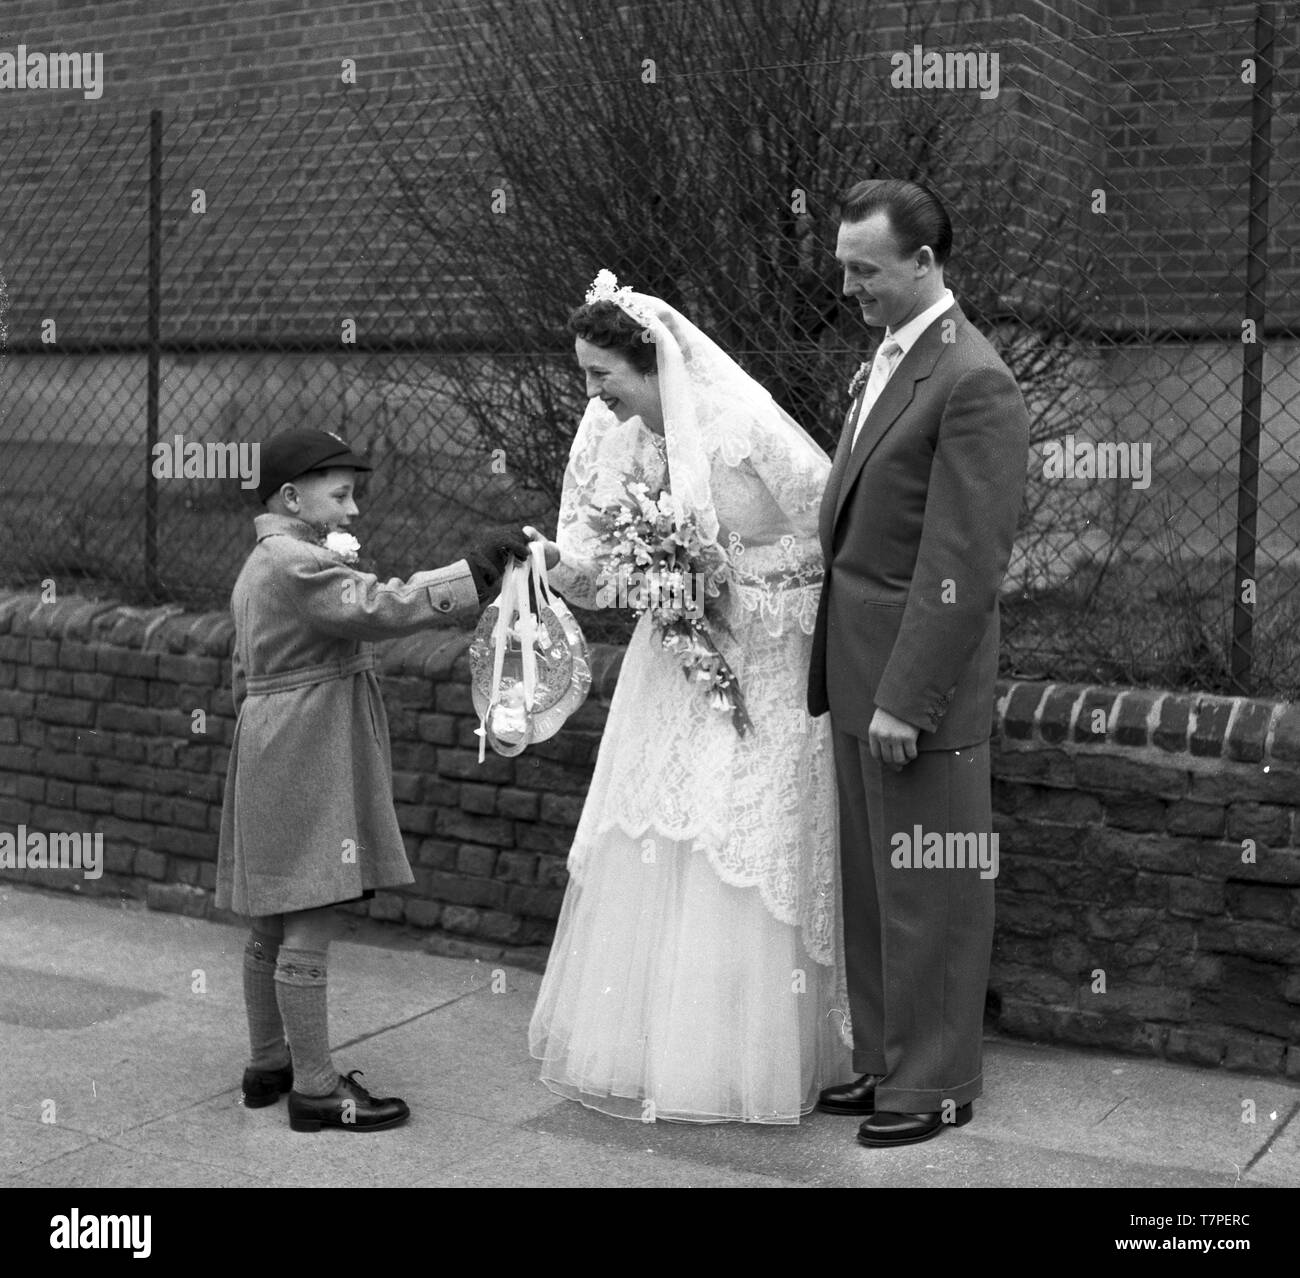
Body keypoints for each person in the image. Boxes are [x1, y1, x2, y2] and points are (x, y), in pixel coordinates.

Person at [529, 272, 852, 1124]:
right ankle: (661, 1052)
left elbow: (833, 536)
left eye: (605, 376)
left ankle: (768, 1056)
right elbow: (597, 572)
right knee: (666, 830)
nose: (594, 395)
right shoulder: (615, 438)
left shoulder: (742, 428)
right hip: (673, 665)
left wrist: (725, 580)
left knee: (746, 830)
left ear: (652, 362)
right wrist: (553, 564)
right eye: (587, 378)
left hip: (772, 662)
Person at [217, 427, 554, 1132]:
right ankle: (315, 1089)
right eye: (339, 495)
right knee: (312, 902)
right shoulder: (295, 562)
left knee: (272, 914)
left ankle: (269, 1063)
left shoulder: (268, 559)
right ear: (290, 496)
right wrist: (475, 569)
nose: (353, 511)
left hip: (275, 738)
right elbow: (382, 607)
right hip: (303, 744)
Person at [808, 179, 1029, 1147]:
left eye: (866, 270)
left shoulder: (972, 377)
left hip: (914, 687)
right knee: (873, 887)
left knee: (930, 890)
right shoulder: (893, 357)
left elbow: (962, 560)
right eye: (844, 268)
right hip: (858, 668)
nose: (849, 286)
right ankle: (884, 1062)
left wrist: (907, 698)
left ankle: (934, 1083)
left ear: (925, 263)